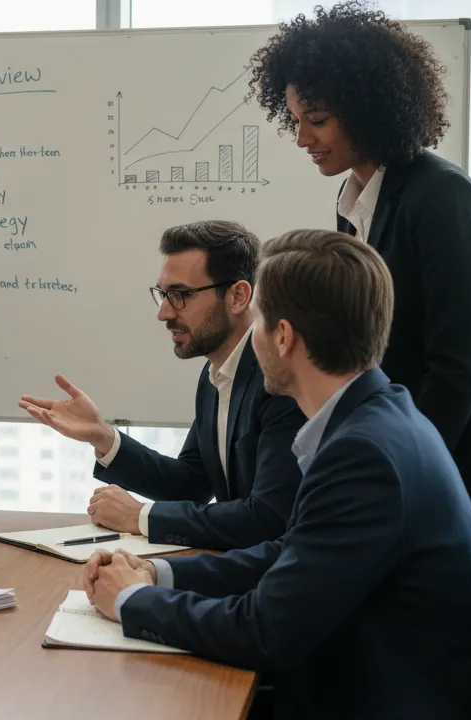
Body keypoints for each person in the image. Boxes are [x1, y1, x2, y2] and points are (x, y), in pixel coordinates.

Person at [90, 230, 471, 719]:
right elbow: (290, 553)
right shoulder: (380, 416)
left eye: (259, 319)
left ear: (283, 337)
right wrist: (159, 573)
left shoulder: (362, 456)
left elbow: (264, 631)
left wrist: (133, 600)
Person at [250, 0, 471, 624]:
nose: (302, 138)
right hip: (417, 446)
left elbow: (458, 366)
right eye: (297, 120)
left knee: (459, 636)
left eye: (317, 120)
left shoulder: (442, 196)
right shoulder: (355, 200)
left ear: (367, 108)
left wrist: (404, 470)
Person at [20, 221, 305, 550]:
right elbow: (192, 483)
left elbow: (269, 519)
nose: (164, 313)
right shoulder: (216, 373)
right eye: (163, 294)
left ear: (238, 297)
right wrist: (104, 436)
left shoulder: (281, 379)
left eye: (180, 295)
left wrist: (141, 516)